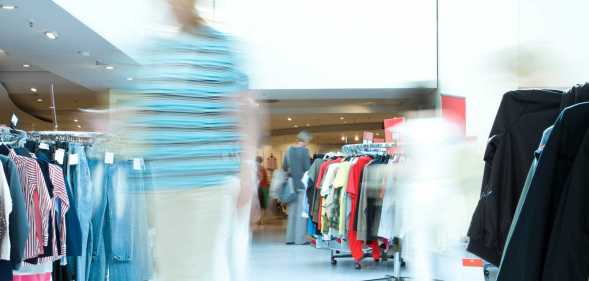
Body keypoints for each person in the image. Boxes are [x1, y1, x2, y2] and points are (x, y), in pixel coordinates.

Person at [112, 0, 259, 280]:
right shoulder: (158, 51)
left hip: (207, 182)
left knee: (199, 269)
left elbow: (244, 110)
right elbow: (144, 107)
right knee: (169, 269)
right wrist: (115, 117)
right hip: (164, 182)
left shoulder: (220, 47)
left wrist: (247, 169)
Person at [282, 131, 312, 245]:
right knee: (301, 213)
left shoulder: (288, 150)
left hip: (290, 185)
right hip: (301, 185)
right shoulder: (304, 151)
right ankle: (300, 239)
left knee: (292, 213)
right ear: (305, 141)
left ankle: (289, 238)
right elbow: (307, 168)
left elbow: (284, 167)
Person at [256, 156, 270, 224]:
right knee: (262, 205)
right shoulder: (262, 168)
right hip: (263, 187)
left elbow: (260, 178)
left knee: (260, 204)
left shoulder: (258, 168)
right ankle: (261, 219)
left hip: (260, 187)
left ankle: (260, 220)